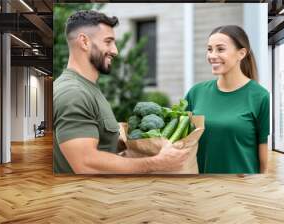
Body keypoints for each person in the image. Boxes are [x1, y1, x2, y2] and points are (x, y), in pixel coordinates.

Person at [53, 10, 189, 174]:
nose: (115, 50)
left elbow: (98, 145)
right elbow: (86, 163)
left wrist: (130, 142)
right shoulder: (73, 93)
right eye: (108, 42)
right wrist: (157, 163)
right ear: (84, 41)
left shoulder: (87, 88)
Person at [185, 25, 270, 174]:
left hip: (242, 189)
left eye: (220, 49)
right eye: (209, 49)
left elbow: (263, 157)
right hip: (201, 188)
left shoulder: (260, 96)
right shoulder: (196, 93)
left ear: (241, 53)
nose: (212, 55)